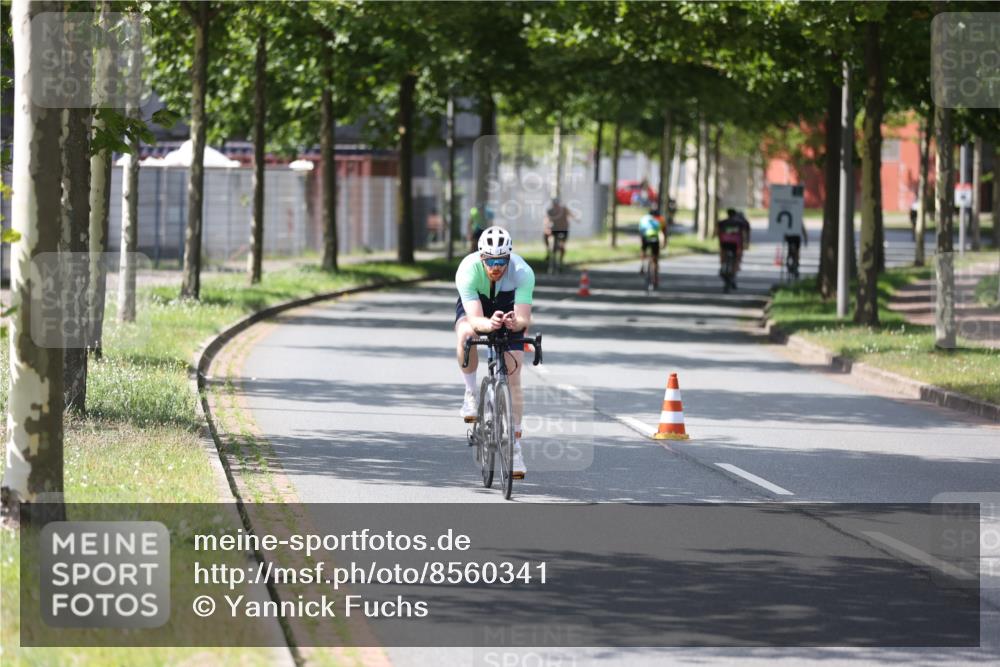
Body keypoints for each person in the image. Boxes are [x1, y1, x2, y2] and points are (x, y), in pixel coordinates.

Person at [455, 226, 535, 479]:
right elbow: (475, 319)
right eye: (490, 261)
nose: (496, 266)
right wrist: (489, 325)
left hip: (507, 303)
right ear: (481, 257)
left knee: (514, 371)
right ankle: (470, 393)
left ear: (509, 257)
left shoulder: (522, 272)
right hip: (478, 306)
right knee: (467, 335)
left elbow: (524, 319)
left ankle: (515, 447)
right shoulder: (467, 270)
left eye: (501, 261)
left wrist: (514, 323)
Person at [717, 208, 751, 285]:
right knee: (737, 258)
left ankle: (722, 265)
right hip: (736, 244)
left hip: (724, 243)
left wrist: (720, 243)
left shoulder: (722, 222)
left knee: (723, 255)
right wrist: (746, 243)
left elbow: (718, 232)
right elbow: (745, 233)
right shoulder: (741, 223)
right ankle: (734, 270)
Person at [638, 207, 666, 287]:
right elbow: (663, 232)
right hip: (655, 239)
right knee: (655, 259)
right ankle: (655, 279)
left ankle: (642, 265)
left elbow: (640, 230)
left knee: (643, 250)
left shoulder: (643, 219)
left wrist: (641, 241)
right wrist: (664, 243)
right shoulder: (660, 219)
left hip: (645, 238)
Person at [543, 197, 574, 268]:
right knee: (545, 235)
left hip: (563, 230)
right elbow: (546, 219)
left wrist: (576, 219)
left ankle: (561, 260)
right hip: (554, 229)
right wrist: (547, 227)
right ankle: (548, 252)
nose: (556, 206)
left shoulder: (564, 209)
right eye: (554, 204)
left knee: (562, 245)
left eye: (556, 204)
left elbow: (571, 215)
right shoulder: (550, 211)